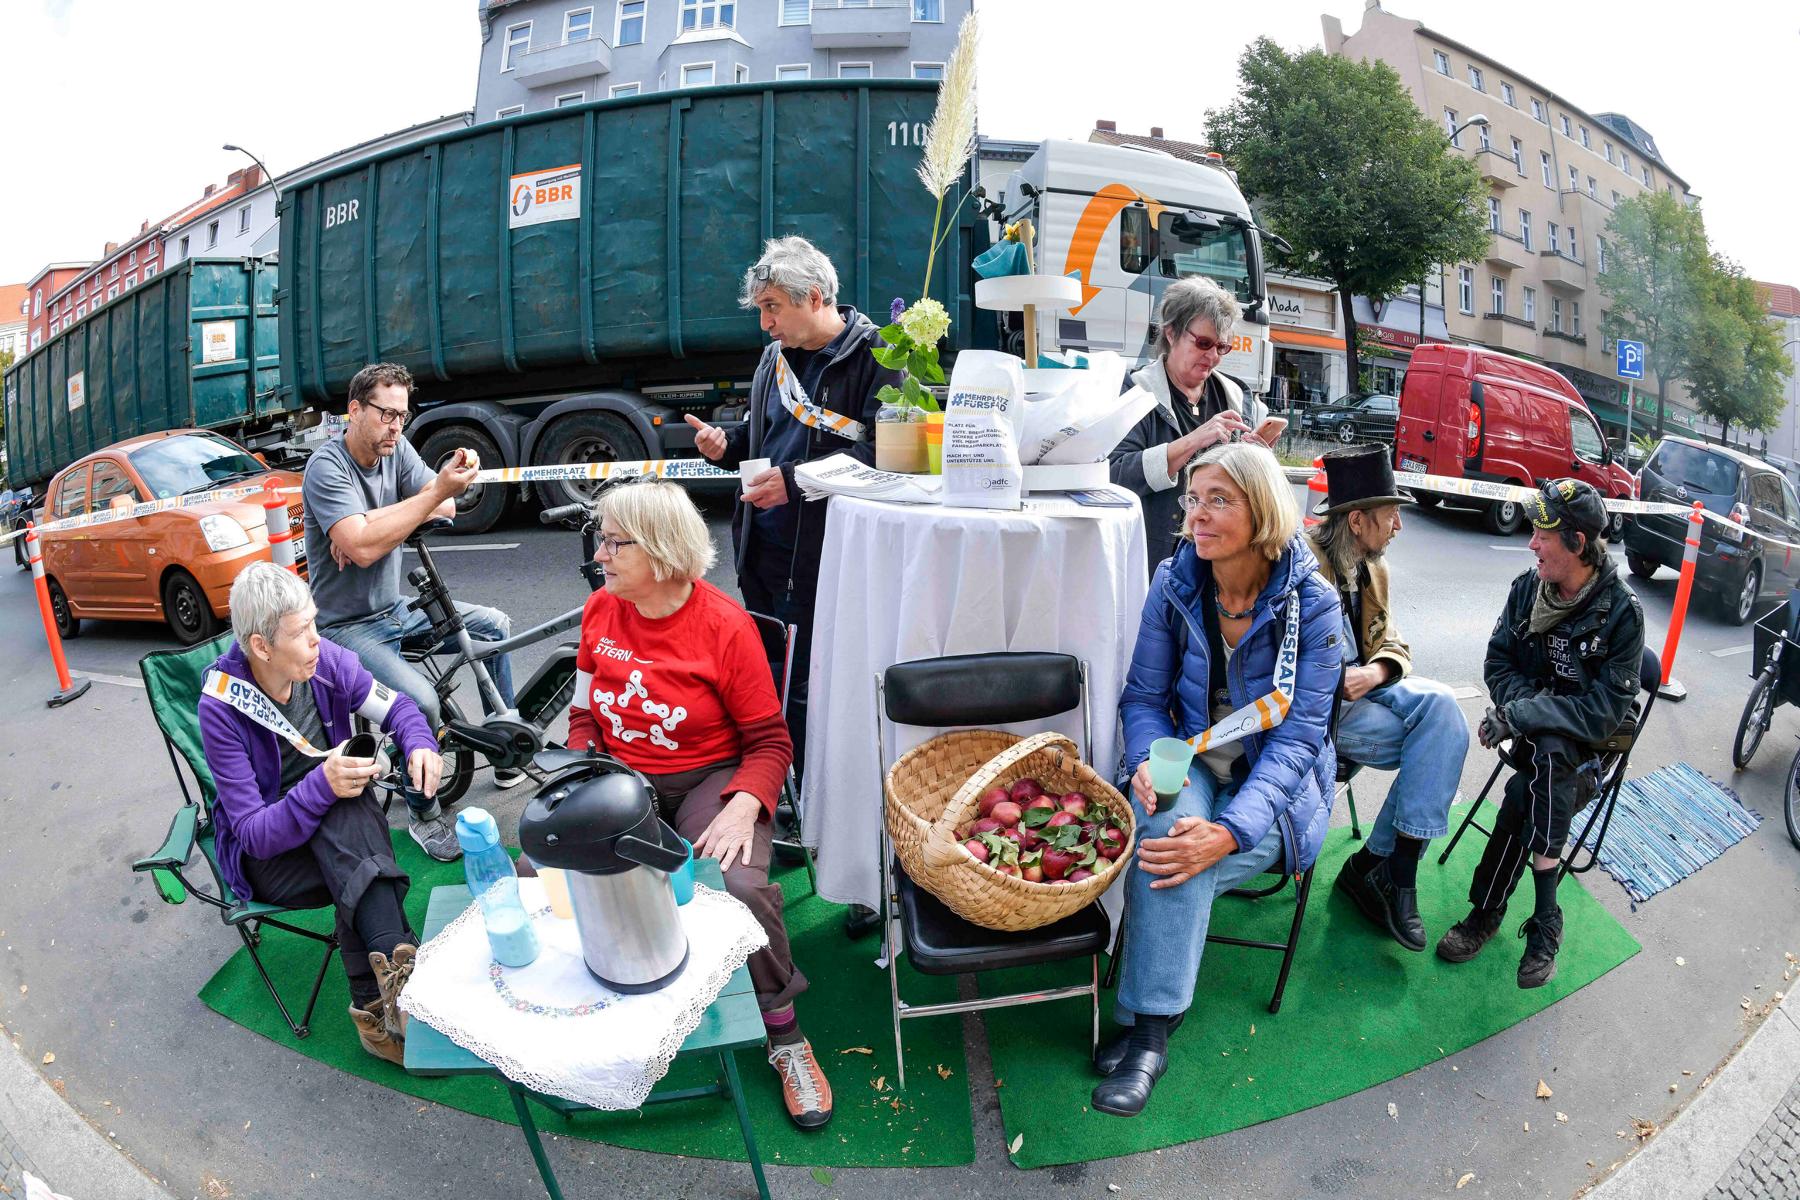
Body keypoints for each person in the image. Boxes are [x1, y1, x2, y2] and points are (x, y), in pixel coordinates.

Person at [562, 480, 833, 1131]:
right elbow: (581, 712)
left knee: (736, 886)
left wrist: (744, 806)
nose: (600, 554)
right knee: (540, 869)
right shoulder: (601, 611)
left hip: (713, 775)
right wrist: (580, 775)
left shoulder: (722, 625)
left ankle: (786, 1034)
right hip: (625, 778)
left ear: (658, 551)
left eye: (613, 542)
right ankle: (598, 1014)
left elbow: (771, 740)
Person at [1099, 442, 1340, 1117]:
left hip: (1278, 792)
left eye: (1218, 500)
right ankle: (1154, 1023)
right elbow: (1143, 696)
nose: (1196, 516)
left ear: (1261, 511)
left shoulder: (1314, 606)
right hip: (1195, 758)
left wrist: (1229, 834)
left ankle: (1148, 1031)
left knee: (1181, 854)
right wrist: (1146, 759)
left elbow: (1298, 743)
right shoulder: (1176, 581)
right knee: (1169, 831)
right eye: (1192, 500)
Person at [197, 562, 443, 1064]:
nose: (316, 639)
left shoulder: (325, 661)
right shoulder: (220, 707)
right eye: (301, 631)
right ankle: (401, 979)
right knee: (347, 816)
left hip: (337, 843)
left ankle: (378, 1005)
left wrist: (419, 743)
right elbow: (254, 837)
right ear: (261, 646)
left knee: (346, 821)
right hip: (274, 863)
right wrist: (321, 786)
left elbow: (399, 709)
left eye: (313, 622)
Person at [683, 236, 899, 784]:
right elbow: (768, 439)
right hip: (764, 550)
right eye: (761, 309)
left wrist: (797, 483)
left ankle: (810, 794)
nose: (764, 323)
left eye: (772, 307)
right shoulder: (773, 356)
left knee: (812, 683)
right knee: (770, 675)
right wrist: (725, 444)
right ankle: (780, 781)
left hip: (830, 555)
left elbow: (891, 454)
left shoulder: (881, 356)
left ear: (818, 296)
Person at [302, 362, 519, 863]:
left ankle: (502, 745)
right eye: (385, 415)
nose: (396, 427)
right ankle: (425, 813)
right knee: (421, 701)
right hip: (346, 628)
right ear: (354, 410)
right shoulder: (327, 466)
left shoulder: (395, 449)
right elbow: (364, 544)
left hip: (395, 609)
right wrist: (368, 533)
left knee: (495, 627)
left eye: (402, 416)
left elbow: (447, 510)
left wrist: (373, 527)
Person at [1438, 479, 1643, 988]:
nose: (1531, 543)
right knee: (1544, 762)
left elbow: (1600, 716)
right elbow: (1497, 662)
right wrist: (1529, 710)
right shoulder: (1528, 588)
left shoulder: (1621, 612)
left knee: (1526, 788)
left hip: (1591, 751)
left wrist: (1524, 715)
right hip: (1537, 740)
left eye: (1542, 533)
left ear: (1576, 543)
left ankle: (1486, 913)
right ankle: (1546, 918)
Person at [1307, 446, 1471, 952]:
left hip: (1369, 694)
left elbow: (1394, 641)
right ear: (1357, 521)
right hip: (1317, 715)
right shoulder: (1302, 569)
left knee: (1445, 713)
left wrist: (1374, 671)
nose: (1399, 526)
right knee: (1434, 748)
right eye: (1391, 514)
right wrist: (1339, 680)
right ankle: (1375, 870)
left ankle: (1394, 871)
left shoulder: (1374, 568)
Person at [1109, 278, 1278, 575]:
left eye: (1222, 347)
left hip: (1222, 566)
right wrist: (1193, 441)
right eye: (1203, 343)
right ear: (1171, 333)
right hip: (1156, 561)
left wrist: (1255, 458)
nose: (1212, 356)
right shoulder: (1137, 392)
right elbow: (1116, 475)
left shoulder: (1235, 396)